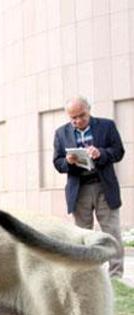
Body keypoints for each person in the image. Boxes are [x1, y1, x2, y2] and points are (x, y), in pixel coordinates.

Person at [53, 95, 125, 279]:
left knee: (111, 231)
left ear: (89, 110)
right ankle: (88, 273)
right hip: (79, 189)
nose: (77, 121)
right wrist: (68, 162)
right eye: (73, 118)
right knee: (82, 234)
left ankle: (116, 275)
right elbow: (57, 162)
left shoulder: (106, 126)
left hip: (103, 186)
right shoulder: (61, 133)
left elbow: (118, 152)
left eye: (81, 116)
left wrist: (101, 153)